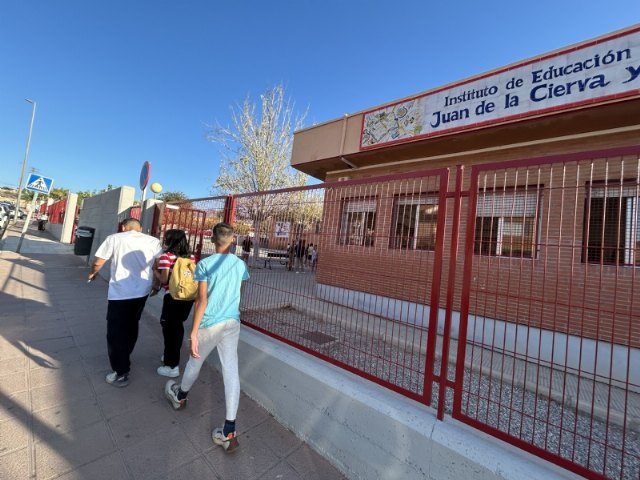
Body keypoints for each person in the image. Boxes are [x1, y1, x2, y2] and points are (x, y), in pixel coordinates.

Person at [164, 222, 249, 452]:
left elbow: (202, 300)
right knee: (231, 370)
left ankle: (180, 395)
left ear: (212, 240)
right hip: (232, 322)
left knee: (195, 361)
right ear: (233, 241)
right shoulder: (240, 264)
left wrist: (193, 331)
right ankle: (229, 430)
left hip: (210, 323)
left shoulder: (204, 264)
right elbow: (239, 292)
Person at [88, 218, 163, 388]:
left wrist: (92, 274)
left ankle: (121, 371)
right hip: (142, 291)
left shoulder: (114, 238)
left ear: (123, 227)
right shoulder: (153, 241)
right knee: (132, 324)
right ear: (141, 228)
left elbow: (99, 261)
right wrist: (156, 285)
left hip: (120, 293)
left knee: (115, 332)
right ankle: (125, 355)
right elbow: (158, 265)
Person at [151, 229, 196, 378]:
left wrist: (154, 270)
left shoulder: (166, 257)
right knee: (176, 328)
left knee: (170, 330)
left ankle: (172, 366)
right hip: (187, 298)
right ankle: (169, 356)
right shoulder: (191, 257)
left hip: (173, 298)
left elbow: (164, 280)